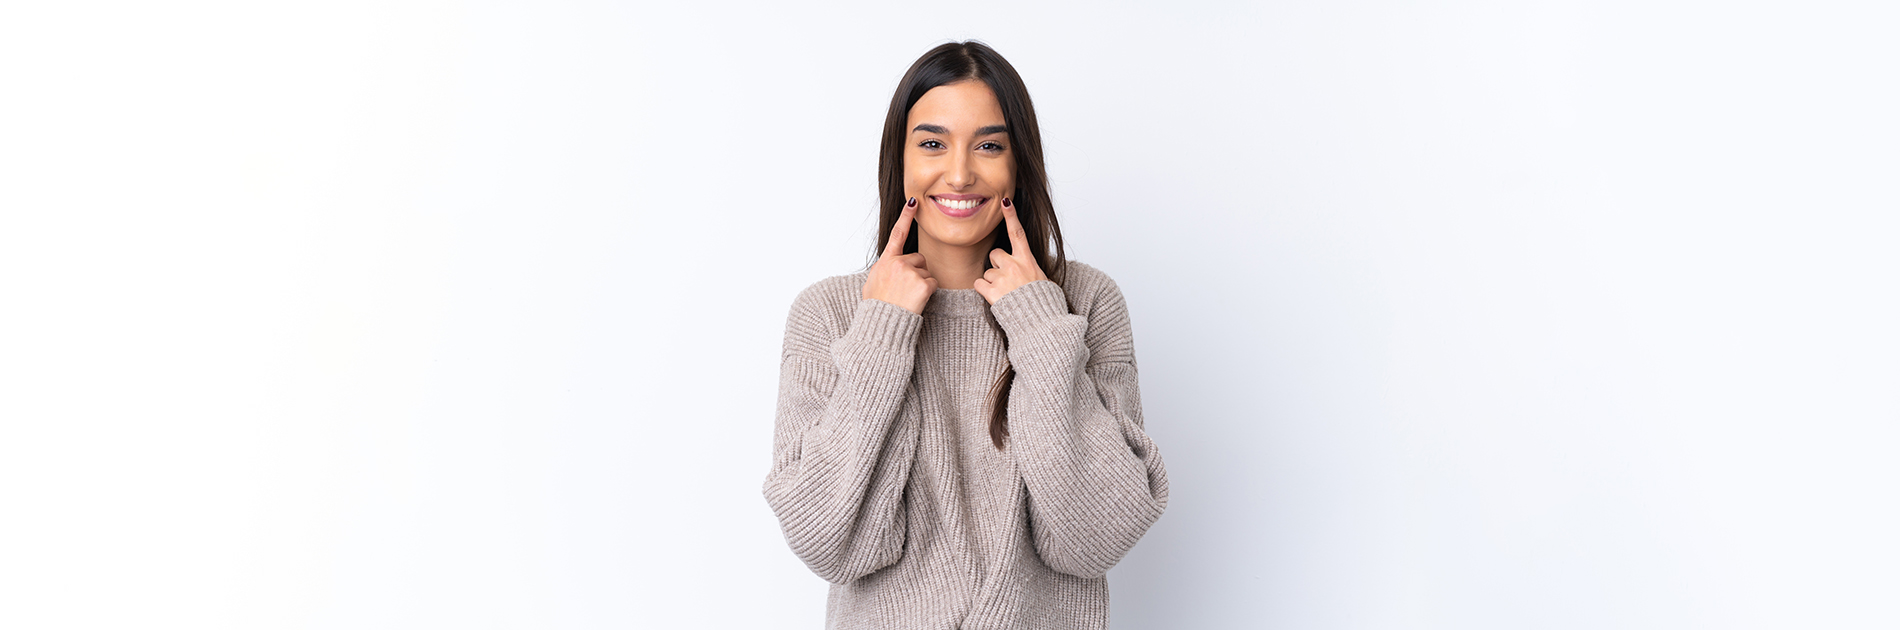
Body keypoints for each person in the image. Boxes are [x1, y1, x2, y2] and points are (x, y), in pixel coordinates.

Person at [763, 41, 1169, 629]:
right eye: (932, 143)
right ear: (898, 160)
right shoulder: (829, 312)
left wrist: (1038, 325)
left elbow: (1096, 539)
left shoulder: (1084, 303)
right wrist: (882, 332)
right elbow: (829, 543)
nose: (958, 172)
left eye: (989, 146)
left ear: (1018, 163)